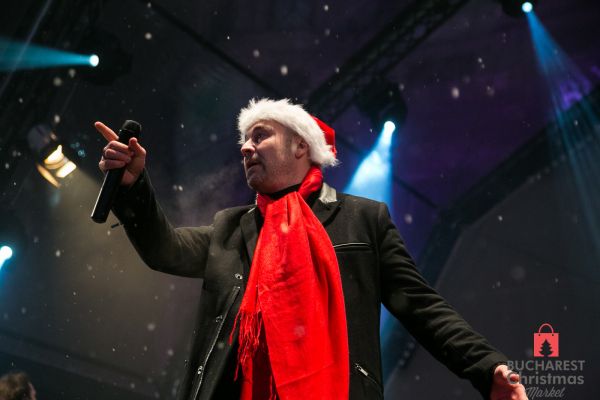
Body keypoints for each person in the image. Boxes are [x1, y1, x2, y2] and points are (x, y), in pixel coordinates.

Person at [96, 98, 527, 400]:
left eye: (260, 135)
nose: (245, 147)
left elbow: (421, 306)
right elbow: (165, 249)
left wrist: (486, 366)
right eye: (243, 140)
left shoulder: (362, 219)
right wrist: (133, 187)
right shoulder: (231, 228)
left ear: (301, 145)